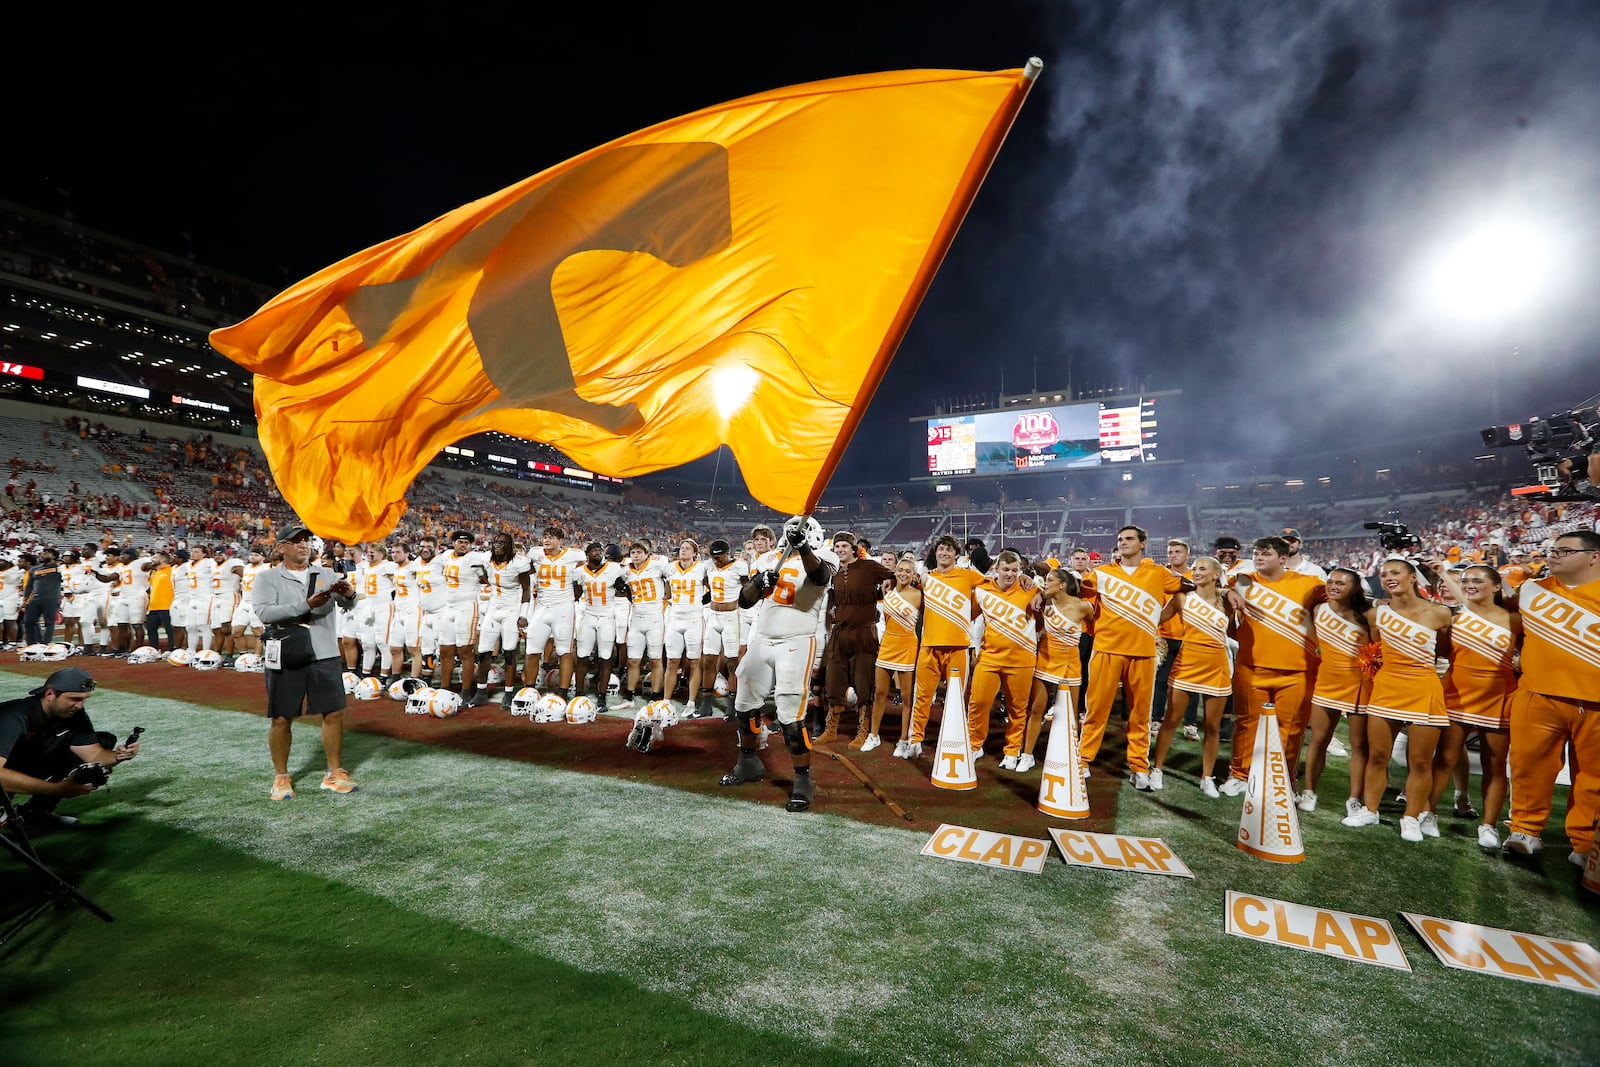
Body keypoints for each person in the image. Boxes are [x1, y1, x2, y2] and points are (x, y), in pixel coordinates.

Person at [720, 515, 839, 812]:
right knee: (744, 703)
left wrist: (805, 551)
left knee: (789, 713)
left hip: (796, 640)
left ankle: (802, 779)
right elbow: (745, 601)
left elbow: (820, 578)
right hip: (763, 636)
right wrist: (759, 583)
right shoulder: (770, 558)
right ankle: (748, 761)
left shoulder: (825, 555)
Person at [1504, 529, 1600, 867]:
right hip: (1537, 694)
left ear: (1593, 556)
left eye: (1564, 550)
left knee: (1594, 777)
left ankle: (1586, 842)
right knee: (1528, 766)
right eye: (1552, 549)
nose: (1553, 555)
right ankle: (1524, 830)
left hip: (1596, 701)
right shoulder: (1530, 590)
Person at [1342, 558, 1452, 842]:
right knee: (1377, 756)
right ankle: (1370, 809)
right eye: (1384, 574)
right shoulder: (1377, 614)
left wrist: (1443, 575)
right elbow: (1375, 646)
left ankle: (1411, 818)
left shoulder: (1439, 613)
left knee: (1420, 761)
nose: (1388, 577)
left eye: (1395, 572)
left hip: (1424, 689)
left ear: (1412, 577)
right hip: (1387, 687)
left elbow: (1451, 641)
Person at [254, 526, 358, 800]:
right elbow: (265, 612)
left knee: (334, 712)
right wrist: (306, 604)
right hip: (288, 651)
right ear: (281, 547)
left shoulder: (327, 573)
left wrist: (349, 595)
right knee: (281, 716)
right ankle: (281, 776)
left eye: (307, 540)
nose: (304, 545)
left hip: (324, 651)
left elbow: (349, 606)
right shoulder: (268, 578)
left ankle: (334, 772)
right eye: (296, 541)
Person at [1078, 526, 1185, 787]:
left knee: (1140, 715)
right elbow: (1077, 596)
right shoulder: (1101, 574)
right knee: (1096, 711)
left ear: (1143, 543)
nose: (1123, 543)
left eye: (1129, 539)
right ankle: (1082, 760)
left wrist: (1162, 618)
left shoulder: (1159, 574)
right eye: (1120, 539)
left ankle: (1139, 766)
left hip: (1143, 653)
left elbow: (1186, 590)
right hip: (1106, 650)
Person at [1221, 537, 1325, 796]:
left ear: (1283, 558)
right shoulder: (1241, 580)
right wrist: (1226, 591)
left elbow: (1345, 595)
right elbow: (1213, 585)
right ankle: (1239, 774)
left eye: (1265, 553)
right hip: (1251, 666)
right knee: (1247, 724)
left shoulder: (1310, 583)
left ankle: (1285, 780)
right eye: (1256, 553)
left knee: (1290, 729)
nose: (1258, 557)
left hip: (1297, 670)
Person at [1434, 565, 1518, 850]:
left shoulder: (1515, 619)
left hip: (1499, 698)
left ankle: (1489, 826)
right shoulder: (1456, 615)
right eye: (1466, 581)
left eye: (1477, 581)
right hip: (1456, 695)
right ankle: (1427, 812)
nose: (1469, 585)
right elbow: (1443, 651)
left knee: (1494, 767)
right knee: (1444, 760)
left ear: (1496, 586)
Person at [0, 667, 139, 828]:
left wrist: (119, 756)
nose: (79, 706)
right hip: (6, 770)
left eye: (83, 700)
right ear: (50, 694)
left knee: (104, 740)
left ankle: (36, 811)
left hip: (21, 762)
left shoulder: (74, 715)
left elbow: (94, 755)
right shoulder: (13, 717)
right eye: (74, 699)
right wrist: (57, 789)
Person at [1150, 556, 1233, 794]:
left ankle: (1207, 777)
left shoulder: (1226, 600)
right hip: (1187, 663)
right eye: (1195, 569)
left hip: (1217, 666)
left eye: (1202, 569)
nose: (1196, 572)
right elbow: (1154, 619)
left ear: (1216, 574)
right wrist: (1155, 638)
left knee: (1212, 726)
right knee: (1171, 720)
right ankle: (1157, 769)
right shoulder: (1182, 598)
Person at [902, 535, 986, 759]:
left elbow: (992, 588)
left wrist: (970, 614)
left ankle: (957, 739)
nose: (944, 553)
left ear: (956, 554)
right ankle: (915, 740)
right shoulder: (927, 578)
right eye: (941, 549)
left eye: (949, 550)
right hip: (929, 646)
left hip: (959, 647)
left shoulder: (968, 574)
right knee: (922, 696)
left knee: (958, 699)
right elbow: (903, 579)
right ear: (935, 552)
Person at [1300, 568, 1373, 816]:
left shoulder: (1367, 615)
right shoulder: (1319, 609)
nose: (1333, 586)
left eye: (1340, 583)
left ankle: (1354, 799)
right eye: (1330, 582)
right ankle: (1309, 791)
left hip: (1359, 684)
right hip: (1327, 681)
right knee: (1319, 740)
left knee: (1359, 746)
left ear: (1354, 588)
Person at [1010, 566, 1091, 772]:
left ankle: (1074, 756)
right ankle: (1027, 755)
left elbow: (1096, 626)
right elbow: (1027, 579)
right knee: (1036, 709)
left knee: (1071, 714)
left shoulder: (1083, 607)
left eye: (1050, 580)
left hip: (1071, 664)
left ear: (1062, 586)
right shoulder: (1045, 600)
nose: (1045, 583)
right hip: (1045, 660)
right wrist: (1039, 591)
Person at [819, 531, 893, 745]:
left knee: (863, 682)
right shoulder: (831, 570)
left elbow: (893, 575)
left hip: (864, 633)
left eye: (844, 546)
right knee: (832, 681)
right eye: (837, 547)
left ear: (853, 548)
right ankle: (831, 728)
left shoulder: (869, 566)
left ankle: (864, 731)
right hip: (839, 633)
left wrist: (889, 581)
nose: (840, 550)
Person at [966, 549, 1040, 761]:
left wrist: (1041, 592)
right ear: (996, 569)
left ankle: (1012, 750)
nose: (1010, 574)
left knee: (1017, 709)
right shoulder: (981, 591)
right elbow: (968, 615)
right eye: (1006, 569)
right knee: (978, 702)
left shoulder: (1031, 589)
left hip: (1022, 660)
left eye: (1015, 570)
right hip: (989, 658)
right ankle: (974, 744)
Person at [870, 558, 922, 754]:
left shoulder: (919, 595)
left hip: (907, 645)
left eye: (908, 571)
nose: (903, 574)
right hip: (887, 645)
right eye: (900, 570)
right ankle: (873, 735)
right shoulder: (888, 591)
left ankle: (903, 739)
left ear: (913, 575)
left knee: (907, 697)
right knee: (879, 693)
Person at [22, 548, 64, 645]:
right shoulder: (34, 569)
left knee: (49, 623)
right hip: (35, 599)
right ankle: (32, 643)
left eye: (46, 553)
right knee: (28, 622)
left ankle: (45, 644)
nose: (43, 554)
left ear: (53, 556)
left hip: (51, 599)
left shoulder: (59, 568)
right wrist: (25, 600)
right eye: (42, 552)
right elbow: (29, 586)